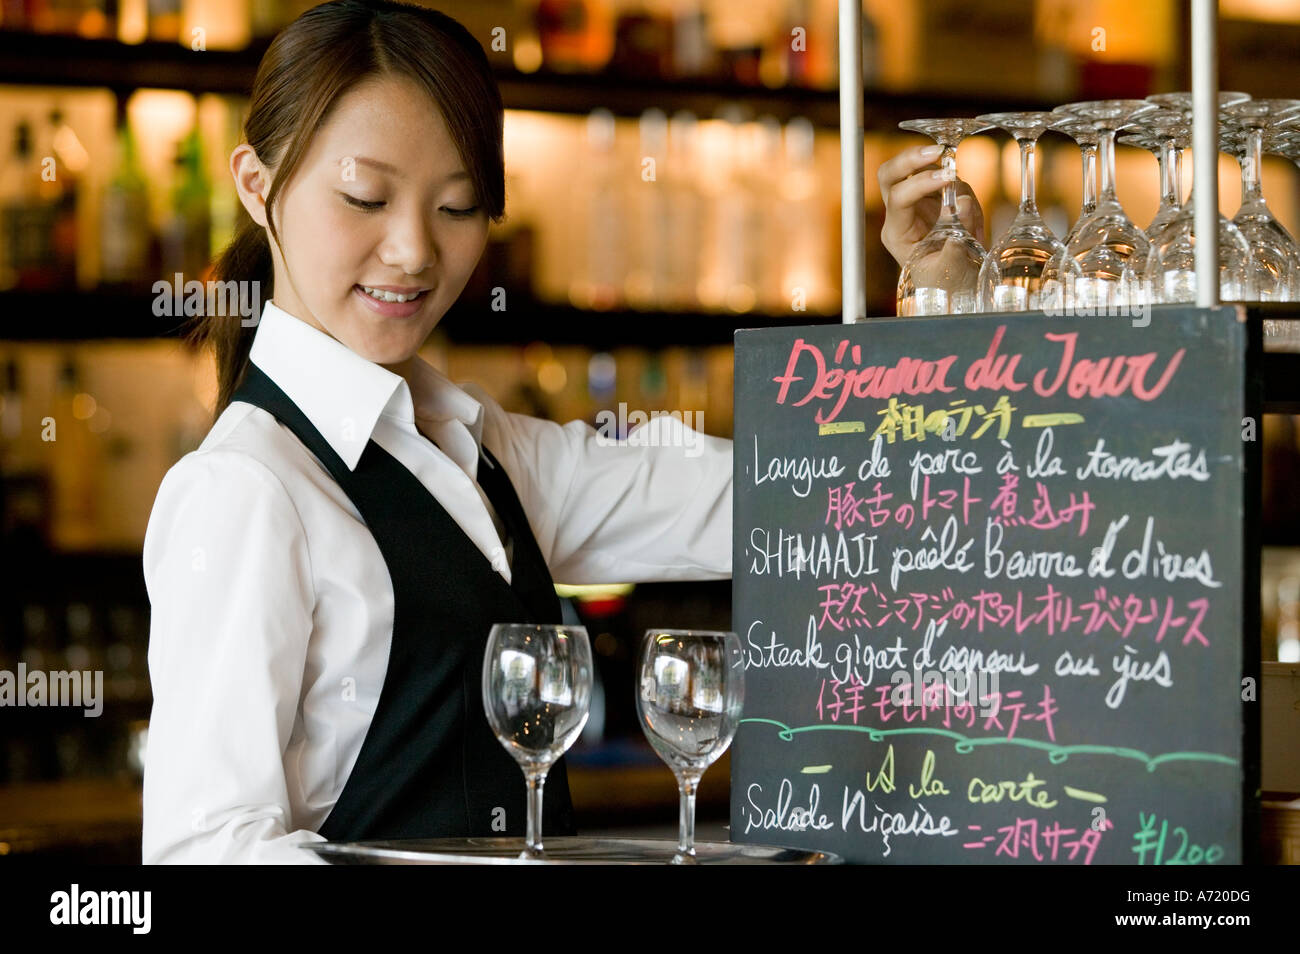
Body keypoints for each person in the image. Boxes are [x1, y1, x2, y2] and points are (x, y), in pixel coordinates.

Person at [141, 0, 732, 864]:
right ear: (257, 186)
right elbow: (202, 850)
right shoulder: (246, 490)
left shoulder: (480, 450)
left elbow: (761, 497)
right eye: (365, 198)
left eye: (457, 208)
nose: (414, 251)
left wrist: (939, 323)